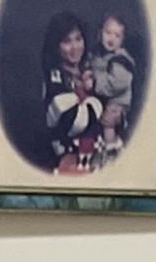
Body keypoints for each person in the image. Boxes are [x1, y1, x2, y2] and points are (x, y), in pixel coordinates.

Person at [40, 13, 105, 175]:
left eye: (78, 39)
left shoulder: (90, 67)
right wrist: (98, 105)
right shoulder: (55, 78)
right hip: (70, 158)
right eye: (67, 41)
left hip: (99, 153)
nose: (75, 47)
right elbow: (73, 122)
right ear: (56, 46)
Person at [89, 14, 136, 157]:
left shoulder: (121, 59)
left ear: (122, 40)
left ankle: (111, 148)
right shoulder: (98, 54)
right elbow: (93, 66)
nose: (111, 38)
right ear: (100, 33)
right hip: (103, 98)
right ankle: (97, 147)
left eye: (117, 35)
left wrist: (95, 83)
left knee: (108, 120)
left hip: (118, 101)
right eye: (108, 33)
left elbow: (117, 84)